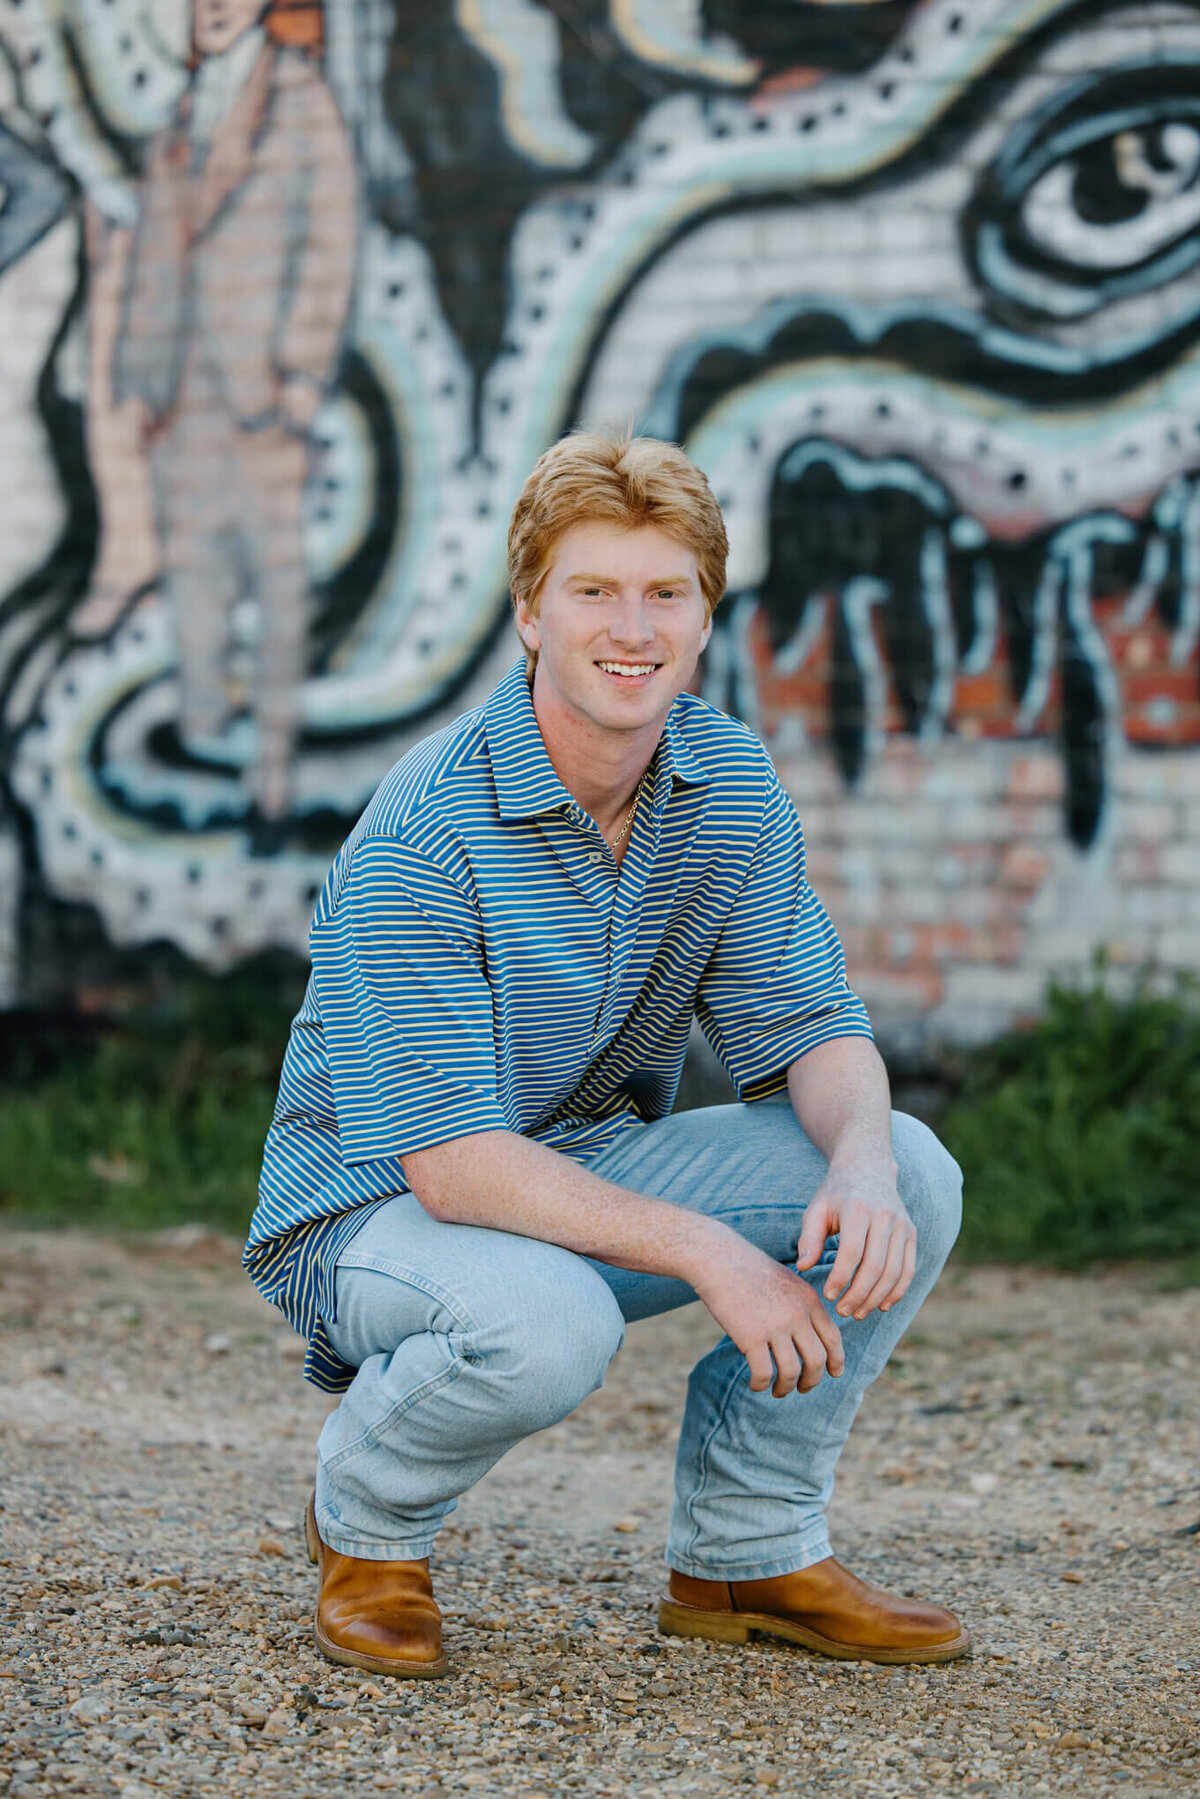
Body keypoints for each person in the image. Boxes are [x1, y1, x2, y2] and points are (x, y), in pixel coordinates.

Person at [243, 432, 969, 1680]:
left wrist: (854, 1161)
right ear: (530, 614)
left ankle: (747, 1548)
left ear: (703, 617)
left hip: (576, 1158)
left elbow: (813, 1025)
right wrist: (716, 1255)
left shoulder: (725, 780)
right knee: (550, 1322)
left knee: (909, 1167)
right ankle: (367, 1525)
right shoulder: (425, 827)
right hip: (372, 1206)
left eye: (664, 593)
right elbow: (457, 1169)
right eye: (593, 591)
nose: (630, 628)